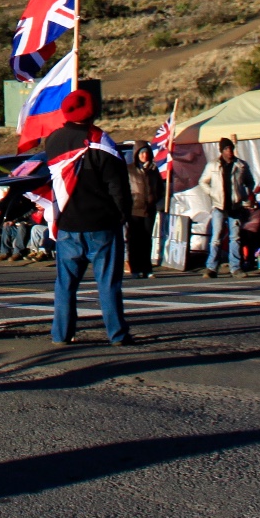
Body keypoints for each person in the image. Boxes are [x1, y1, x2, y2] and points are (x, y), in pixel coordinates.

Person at [42, 89, 133, 345]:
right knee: (108, 284)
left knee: (65, 285)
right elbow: (118, 186)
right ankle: (117, 334)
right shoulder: (101, 142)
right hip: (102, 224)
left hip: (68, 223)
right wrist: (122, 215)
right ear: (92, 111)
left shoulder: (53, 141)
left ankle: (61, 333)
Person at [200, 138, 255, 278]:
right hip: (219, 205)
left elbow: (250, 182)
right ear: (221, 150)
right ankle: (211, 267)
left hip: (235, 206)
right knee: (216, 237)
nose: (229, 151)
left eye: (230, 148)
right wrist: (211, 192)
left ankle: (235, 267)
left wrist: (245, 195)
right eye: (226, 149)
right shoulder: (213, 165)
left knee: (235, 237)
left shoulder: (241, 165)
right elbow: (203, 181)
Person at [125, 143, 164, 279]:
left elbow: (160, 188)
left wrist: (155, 201)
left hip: (149, 210)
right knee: (134, 240)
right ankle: (135, 268)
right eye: (141, 153)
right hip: (134, 209)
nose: (144, 155)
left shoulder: (153, 170)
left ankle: (147, 268)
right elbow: (124, 189)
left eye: (146, 153)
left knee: (147, 239)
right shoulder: (129, 170)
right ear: (136, 154)